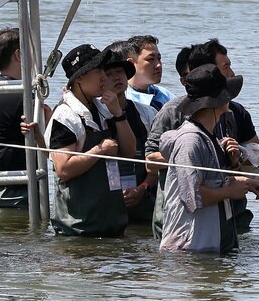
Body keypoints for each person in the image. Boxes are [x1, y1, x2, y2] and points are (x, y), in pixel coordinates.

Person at [146, 39, 259, 235]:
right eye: (226, 67)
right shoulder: (175, 116)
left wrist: (236, 157)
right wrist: (208, 153)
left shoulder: (235, 111)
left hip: (228, 217)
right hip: (184, 224)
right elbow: (151, 163)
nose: (231, 73)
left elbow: (256, 157)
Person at [159, 65, 259, 253]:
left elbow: (208, 180)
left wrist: (240, 180)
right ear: (219, 102)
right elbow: (192, 196)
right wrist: (230, 191)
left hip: (208, 245)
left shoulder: (209, 135)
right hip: (190, 249)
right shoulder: (190, 141)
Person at [47, 44, 137, 237]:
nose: (104, 77)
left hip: (112, 222)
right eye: (98, 71)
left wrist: (119, 115)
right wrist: (100, 150)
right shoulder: (65, 115)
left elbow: (130, 153)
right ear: (79, 77)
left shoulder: (104, 107)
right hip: (79, 230)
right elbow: (63, 169)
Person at [0, 27, 48, 209]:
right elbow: (49, 151)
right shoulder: (23, 96)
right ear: (19, 55)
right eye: (31, 52)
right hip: (18, 191)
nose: (35, 60)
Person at [101, 40, 156, 224]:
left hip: (143, 199)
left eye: (120, 72)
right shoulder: (93, 116)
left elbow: (158, 158)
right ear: (100, 80)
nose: (117, 78)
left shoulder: (146, 113)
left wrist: (142, 188)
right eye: (109, 74)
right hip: (104, 205)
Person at [123, 34, 173, 123]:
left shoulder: (165, 94)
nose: (158, 65)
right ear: (131, 63)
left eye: (159, 58)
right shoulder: (125, 99)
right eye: (151, 59)